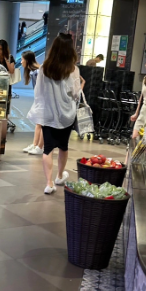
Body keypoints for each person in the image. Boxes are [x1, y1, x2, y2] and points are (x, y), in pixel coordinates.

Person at [28, 33, 83, 195]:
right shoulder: (73, 70)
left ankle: (49, 183)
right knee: (63, 147)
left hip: (48, 114)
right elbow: (75, 94)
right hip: (67, 115)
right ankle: (59, 176)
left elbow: (38, 91)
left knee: (48, 149)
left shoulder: (44, 68)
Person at [21, 50, 43, 155]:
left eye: (22, 59)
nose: (21, 62)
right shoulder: (34, 72)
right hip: (40, 100)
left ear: (27, 60)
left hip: (43, 100)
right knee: (39, 122)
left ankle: (38, 146)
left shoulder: (37, 72)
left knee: (41, 123)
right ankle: (35, 145)